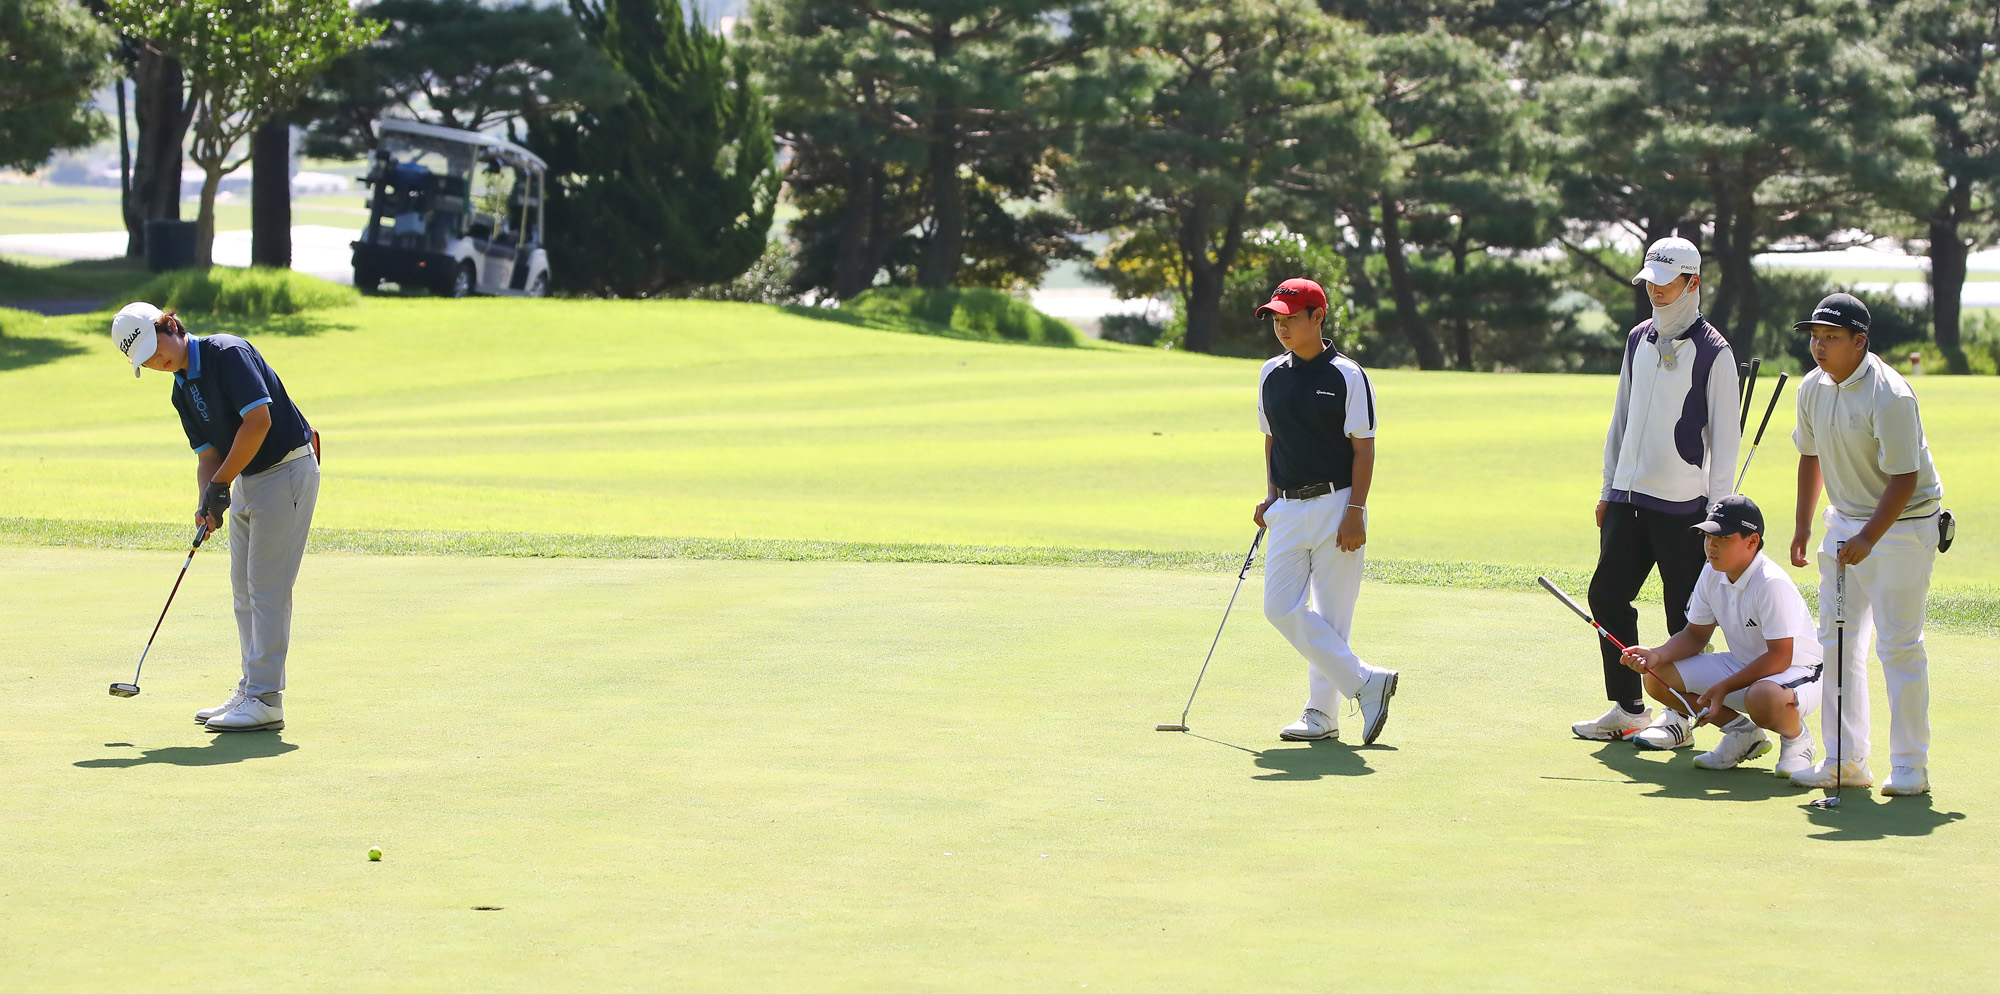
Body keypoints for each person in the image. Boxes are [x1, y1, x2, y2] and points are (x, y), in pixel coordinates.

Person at [110, 302, 319, 732]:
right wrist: (208, 499)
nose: (156, 361)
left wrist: (222, 483)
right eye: (145, 359)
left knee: (267, 588)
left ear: (170, 326)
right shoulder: (180, 389)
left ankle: (266, 699)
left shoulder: (227, 353)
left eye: (155, 347)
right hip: (244, 477)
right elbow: (208, 453)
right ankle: (250, 688)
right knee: (243, 589)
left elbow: (258, 422)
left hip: (286, 469)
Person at [1571, 237, 1740, 744]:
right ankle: (1629, 707)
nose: (1656, 292)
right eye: (1650, 282)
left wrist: (1720, 517)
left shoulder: (1716, 352)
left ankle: (1680, 717)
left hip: (1684, 508)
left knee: (1681, 613)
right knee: (1607, 595)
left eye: (1666, 284)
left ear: (1693, 283)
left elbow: (1725, 442)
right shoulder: (1638, 338)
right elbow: (1619, 418)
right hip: (1627, 497)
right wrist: (1609, 487)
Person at [1786, 293, 1945, 796]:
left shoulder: (1891, 395)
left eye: (1831, 338)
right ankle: (1845, 761)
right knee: (1836, 644)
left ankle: (1910, 766)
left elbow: (1904, 478)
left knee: (1898, 647)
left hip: (1902, 527)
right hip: (1845, 525)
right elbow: (1809, 457)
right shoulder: (1813, 387)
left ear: (1860, 341)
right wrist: (1804, 528)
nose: (1818, 347)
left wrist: (1866, 539)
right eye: (1815, 336)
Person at [1251, 278, 1400, 745]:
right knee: (1279, 607)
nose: (1282, 327)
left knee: (1333, 617)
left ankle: (1321, 713)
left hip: (1339, 504)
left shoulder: (1348, 375)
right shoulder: (1270, 373)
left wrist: (1356, 509)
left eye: (1290, 318)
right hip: (1289, 508)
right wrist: (1272, 496)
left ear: (1318, 317)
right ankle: (1366, 681)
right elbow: (1272, 441)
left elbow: (1364, 447)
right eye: (1276, 319)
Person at [1618, 496, 1821, 775]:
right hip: (1744, 665)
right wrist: (1656, 654)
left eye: (1722, 537)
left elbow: (1780, 657)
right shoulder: (1712, 573)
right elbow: (1694, 635)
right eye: (1707, 536)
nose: (1711, 545)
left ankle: (1797, 740)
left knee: (1762, 697)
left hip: (1797, 672)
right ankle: (1742, 734)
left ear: (1752, 541)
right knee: (1658, 675)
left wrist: (1724, 687)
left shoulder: (1771, 583)